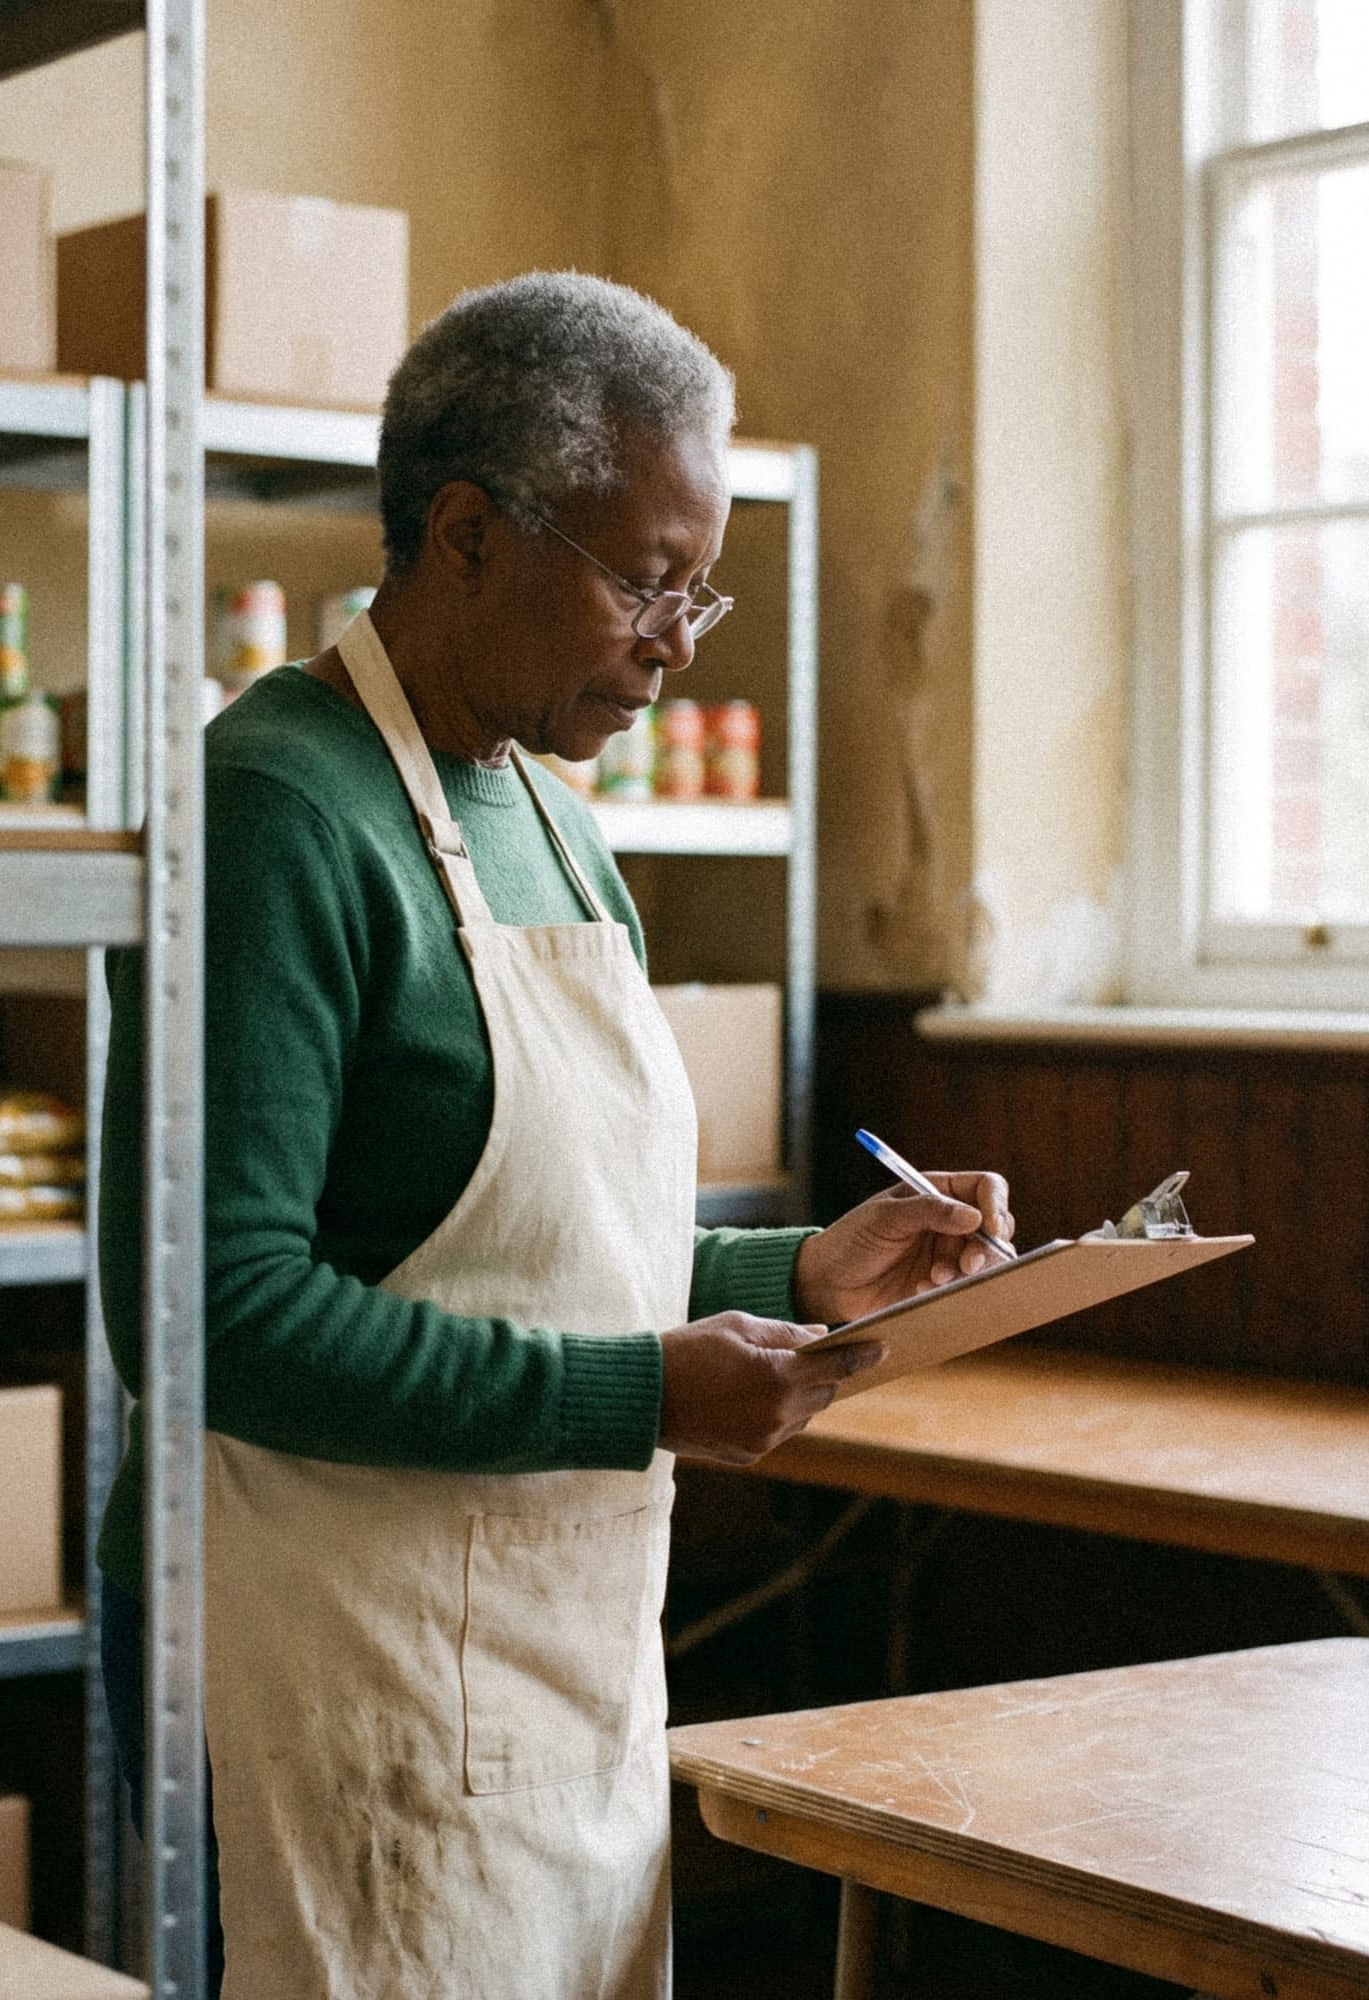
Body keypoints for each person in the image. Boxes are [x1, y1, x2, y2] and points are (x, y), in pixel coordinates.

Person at [95, 270, 1013, 2000]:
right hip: (332, 1677)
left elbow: (546, 1243)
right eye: (646, 582)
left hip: (555, 1680)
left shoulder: (549, 816)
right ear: (462, 533)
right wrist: (643, 1396)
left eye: (701, 591)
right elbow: (213, 1315)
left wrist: (804, 1270)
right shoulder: (279, 808)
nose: (675, 640)